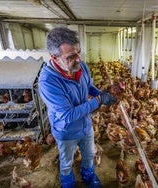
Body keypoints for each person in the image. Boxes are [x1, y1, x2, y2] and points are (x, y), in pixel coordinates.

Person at [38, 27, 117, 188]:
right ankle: (68, 183)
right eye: (71, 56)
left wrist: (101, 94)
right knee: (66, 162)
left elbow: (89, 86)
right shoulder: (48, 82)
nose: (79, 59)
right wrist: (99, 100)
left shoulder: (81, 66)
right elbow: (67, 115)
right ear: (54, 57)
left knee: (89, 155)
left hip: (85, 125)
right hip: (66, 131)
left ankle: (89, 176)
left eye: (79, 52)